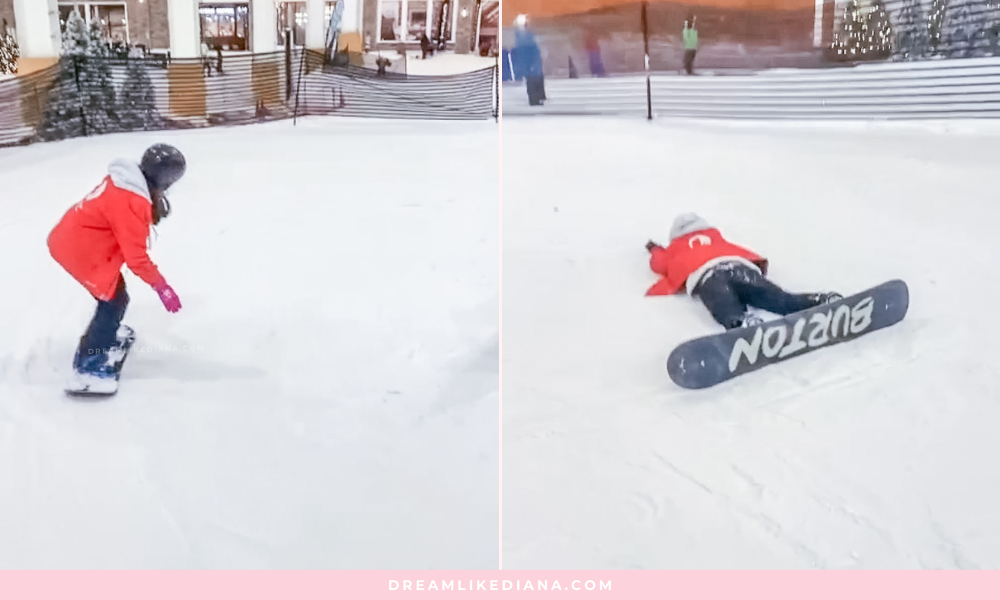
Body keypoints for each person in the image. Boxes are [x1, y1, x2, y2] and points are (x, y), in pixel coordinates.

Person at [48, 144, 185, 387]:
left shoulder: (126, 181)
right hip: (80, 252)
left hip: (75, 241)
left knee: (114, 298)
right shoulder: (132, 201)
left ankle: (103, 338)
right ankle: (90, 364)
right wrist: (161, 287)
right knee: (114, 302)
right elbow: (136, 259)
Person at [645, 213, 842, 330]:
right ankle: (819, 300)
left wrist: (655, 249)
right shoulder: (716, 238)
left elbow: (659, 264)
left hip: (709, 275)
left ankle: (741, 323)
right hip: (740, 267)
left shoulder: (676, 248)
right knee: (777, 298)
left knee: (723, 303)